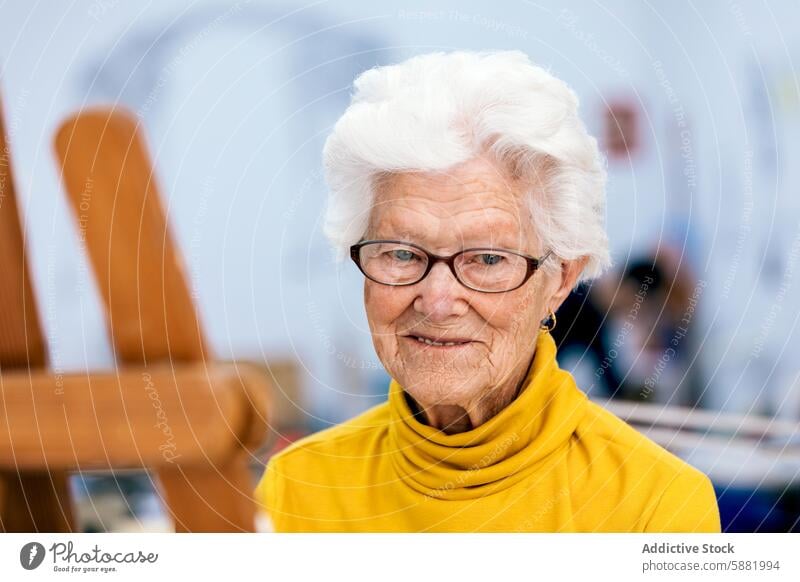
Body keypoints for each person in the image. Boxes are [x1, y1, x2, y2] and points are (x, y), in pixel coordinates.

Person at [254, 50, 721, 532]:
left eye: (488, 259)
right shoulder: (296, 488)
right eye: (400, 253)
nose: (436, 301)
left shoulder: (655, 505)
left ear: (560, 279)